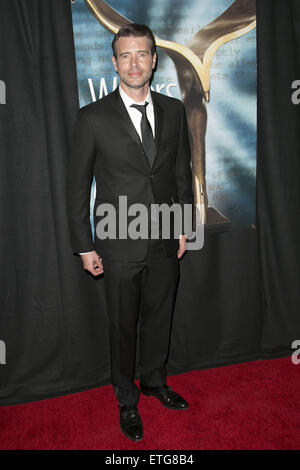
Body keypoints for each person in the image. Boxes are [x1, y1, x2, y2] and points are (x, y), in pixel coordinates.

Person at [66, 23, 194, 442]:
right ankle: (126, 398)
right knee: (122, 326)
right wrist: (84, 246)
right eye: (125, 55)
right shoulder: (93, 117)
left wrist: (182, 228)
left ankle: (155, 381)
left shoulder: (174, 111)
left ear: (154, 60)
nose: (134, 63)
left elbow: (180, 174)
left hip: (163, 237)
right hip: (117, 241)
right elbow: (77, 186)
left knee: (160, 316)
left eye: (142, 54)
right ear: (115, 62)